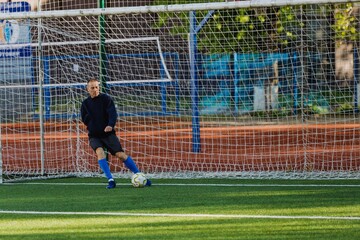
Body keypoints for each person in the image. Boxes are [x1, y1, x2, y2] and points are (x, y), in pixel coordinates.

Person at [80, 78, 151, 189]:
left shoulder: (106, 99)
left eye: (97, 87)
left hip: (108, 134)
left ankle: (139, 175)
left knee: (120, 155)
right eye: (92, 87)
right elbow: (84, 119)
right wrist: (92, 123)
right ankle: (111, 180)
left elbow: (112, 114)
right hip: (94, 136)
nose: (95, 89)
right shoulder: (85, 104)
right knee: (100, 152)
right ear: (87, 89)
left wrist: (110, 125)